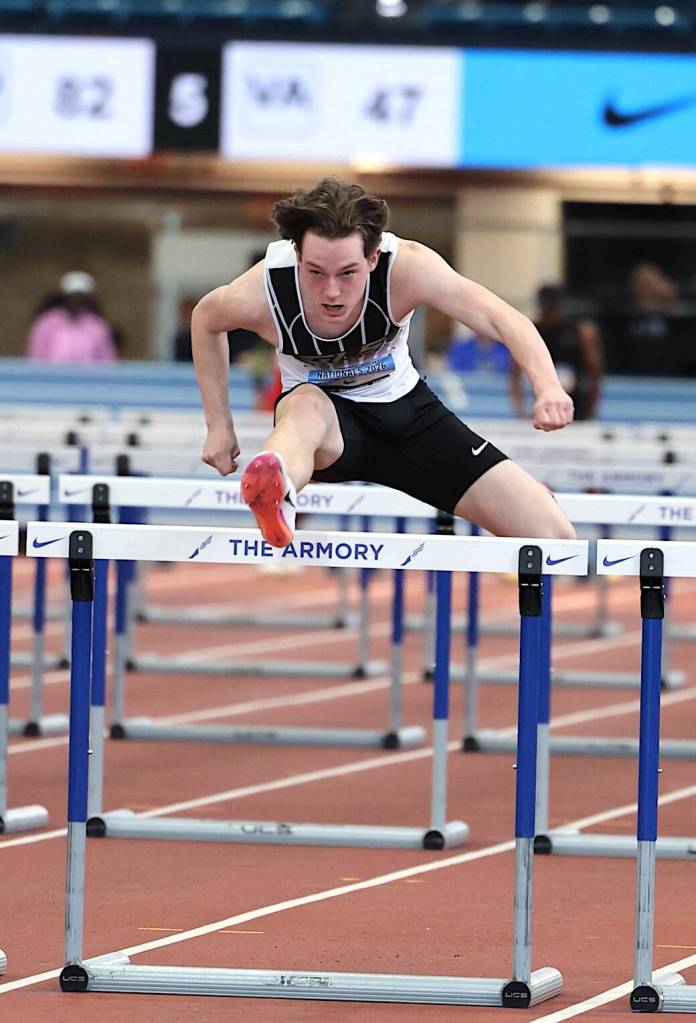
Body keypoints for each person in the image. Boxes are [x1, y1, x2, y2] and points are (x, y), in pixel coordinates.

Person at [192, 177, 575, 548]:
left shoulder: (407, 267)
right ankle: (277, 488)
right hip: (326, 426)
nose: (331, 291)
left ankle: (280, 480)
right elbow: (205, 319)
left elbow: (501, 317)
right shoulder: (265, 289)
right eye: (315, 272)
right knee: (305, 404)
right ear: (297, 256)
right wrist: (218, 425)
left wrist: (547, 386)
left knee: (553, 537)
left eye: (347, 273)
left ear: (374, 257)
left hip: (409, 419)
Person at [510, 284, 604, 421]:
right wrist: (520, 410)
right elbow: (515, 373)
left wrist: (592, 409)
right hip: (543, 403)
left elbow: (595, 371)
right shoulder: (531, 332)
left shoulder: (581, 332)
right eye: (544, 308)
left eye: (551, 308)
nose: (547, 313)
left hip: (578, 401)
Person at [26, 271, 118, 363]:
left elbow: (106, 359)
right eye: (73, 295)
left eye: (81, 295)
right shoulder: (47, 322)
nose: (76, 299)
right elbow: (36, 355)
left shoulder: (97, 325)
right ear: (64, 296)